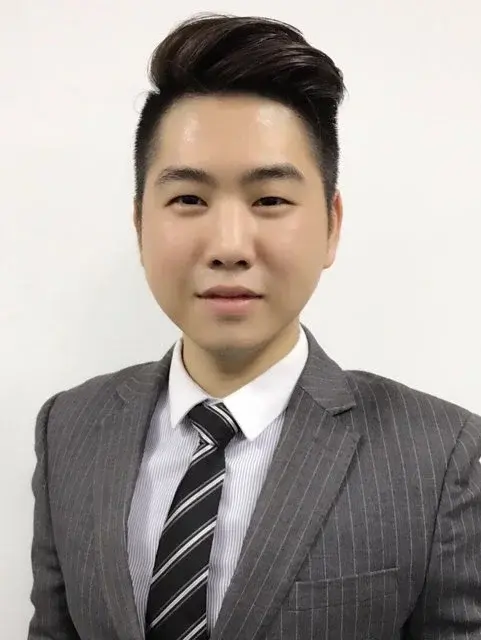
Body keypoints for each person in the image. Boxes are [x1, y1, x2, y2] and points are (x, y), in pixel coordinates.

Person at [27, 12, 481, 640]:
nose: (229, 246)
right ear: (140, 225)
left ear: (331, 225)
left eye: (269, 200)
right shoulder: (69, 428)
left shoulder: (441, 454)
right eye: (189, 199)